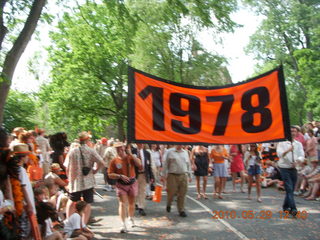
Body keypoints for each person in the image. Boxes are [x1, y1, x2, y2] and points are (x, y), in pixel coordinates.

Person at [64, 131, 105, 225]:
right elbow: (102, 162)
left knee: (72, 201)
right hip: (88, 181)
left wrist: (69, 178)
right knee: (87, 203)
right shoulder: (91, 150)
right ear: (87, 140)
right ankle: (83, 224)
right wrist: (95, 170)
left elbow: (67, 167)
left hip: (75, 181)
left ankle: (69, 223)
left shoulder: (72, 151)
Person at [108, 142, 142, 233]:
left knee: (131, 203)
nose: (120, 150)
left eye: (121, 147)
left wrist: (131, 154)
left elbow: (139, 164)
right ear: (116, 150)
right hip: (121, 185)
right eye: (118, 148)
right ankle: (123, 224)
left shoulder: (130, 158)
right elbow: (110, 174)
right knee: (123, 204)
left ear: (124, 148)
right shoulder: (114, 161)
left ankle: (131, 218)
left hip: (132, 183)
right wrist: (120, 176)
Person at [277, 126, 305, 216]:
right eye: (291, 131)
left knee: (291, 189)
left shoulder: (298, 144)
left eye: (295, 131)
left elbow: (302, 155)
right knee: (289, 188)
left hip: (294, 168)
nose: (293, 133)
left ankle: (285, 206)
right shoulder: (282, 142)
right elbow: (279, 154)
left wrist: (297, 161)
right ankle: (293, 208)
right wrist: (288, 150)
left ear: (297, 133)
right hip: (284, 167)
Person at [162, 145, 192, 217]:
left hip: (183, 175)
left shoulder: (185, 152)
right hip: (172, 175)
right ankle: (169, 204)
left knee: (182, 193)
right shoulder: (170, 152)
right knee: (171, 193)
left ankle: (181, 210)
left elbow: (188, 164)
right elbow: (165, 164)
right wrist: (163, 175)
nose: (181, 145)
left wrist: (190, 175)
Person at [132, 143, 154, 216]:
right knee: (135, 190)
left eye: (142, 143)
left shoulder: (147, 153)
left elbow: (149, 165)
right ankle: (135, 203)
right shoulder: (132, 151)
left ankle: (141, 207)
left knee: (142, 191)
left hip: (143, 174)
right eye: (139, 143)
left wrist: (151, 176)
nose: (140, 144)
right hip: (134, 175)